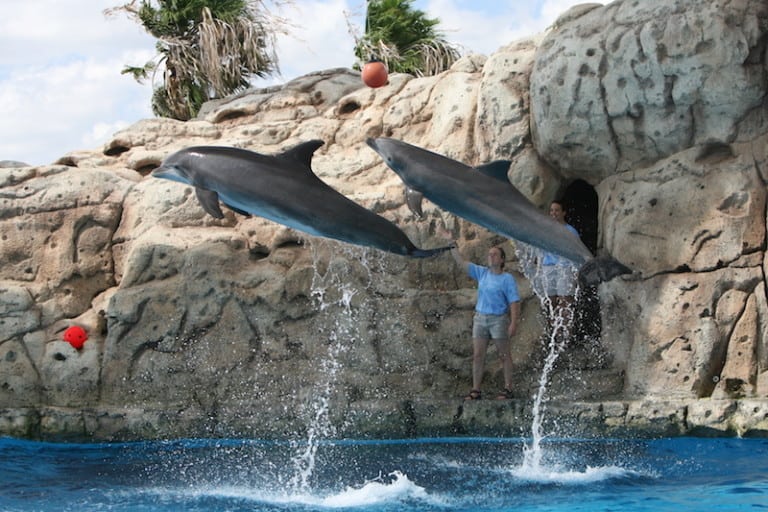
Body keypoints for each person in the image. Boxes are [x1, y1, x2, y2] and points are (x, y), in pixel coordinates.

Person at [443, 233, 521, 400]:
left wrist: (513, 323)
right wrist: (451, 242)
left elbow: (514, 301)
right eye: (489, 254)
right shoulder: (482, 273)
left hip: (498, 319)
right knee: (478, 355)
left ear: (502, 260)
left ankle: (508, 388)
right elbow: (461, 262)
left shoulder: (507, 279)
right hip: (481, 318)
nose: (491, 257)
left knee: (504, 354)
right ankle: (476, 389)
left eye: (495, 255)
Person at [539, 200, 580, 340]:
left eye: (557, 210)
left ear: (564, 212)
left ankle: (567, 336)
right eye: (551, 211)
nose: (553, 213)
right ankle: (554, 336)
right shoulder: (546, 230)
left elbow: (577, 252)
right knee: (551, 302)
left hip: (565, 267)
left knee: (565, 302)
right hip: (549, 267)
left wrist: (576, 273)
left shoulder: (570, 231)